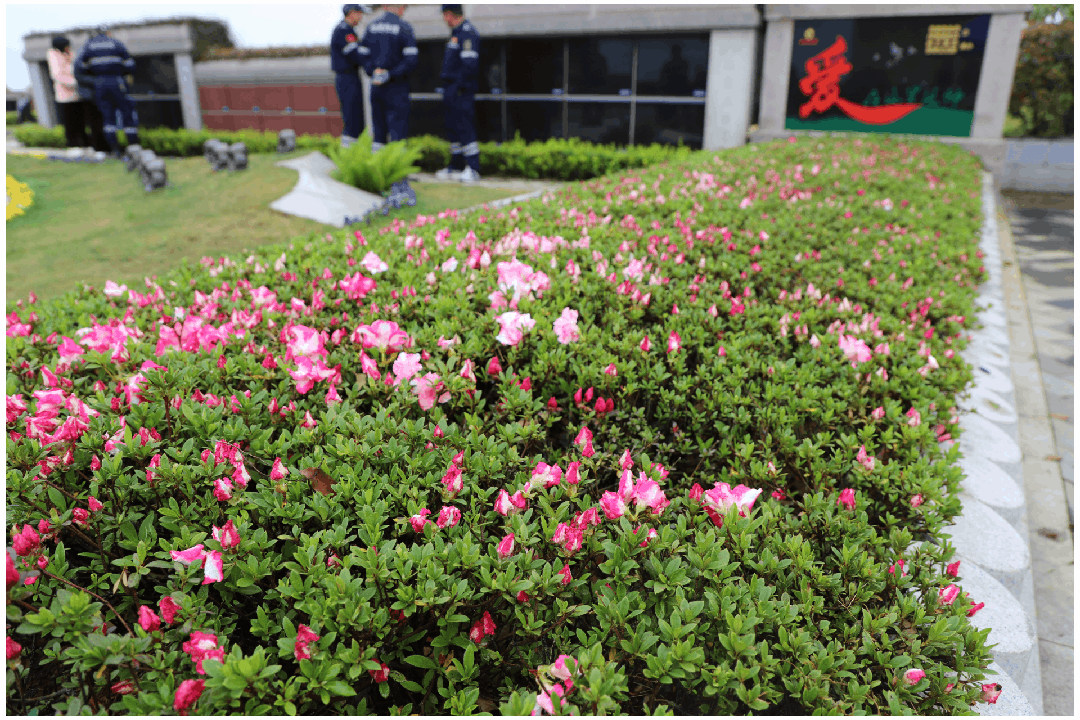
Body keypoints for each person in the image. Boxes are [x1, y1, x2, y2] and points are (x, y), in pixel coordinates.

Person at [360, 4, 419, 207]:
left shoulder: (371, 26)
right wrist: (391, 74)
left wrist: (373, 72)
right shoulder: (404, 27)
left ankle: (379, 177)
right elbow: (411, 59)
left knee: (378, 134)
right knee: (398, 134)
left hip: (376, 87)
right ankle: (399, 179)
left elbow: (363, 55)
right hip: (396, 88)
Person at [74, 25, 140, 158]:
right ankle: (133, 148)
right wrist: (122, 74)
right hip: (117, 82)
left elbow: (79, 70)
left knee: (108, 118)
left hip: (100, 85)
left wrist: (94, 81)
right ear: (108, 33)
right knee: (127, 114)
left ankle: (115, 150)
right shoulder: (117, 44)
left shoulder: (89, 46)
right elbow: (130, 65)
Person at [436, 4, 481, 183]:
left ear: (450, 14)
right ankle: (456, 166)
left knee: (465, 129)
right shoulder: (455, 33)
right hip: (451, 89)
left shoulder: (467, 32)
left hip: (461, 90)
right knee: (453, 130)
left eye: (445, 15)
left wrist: (457, 87)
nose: (444, 19)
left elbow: (469, 65)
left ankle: (473, 169)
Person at [331, 4, 370, 148]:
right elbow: (356, 54)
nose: (360, 17)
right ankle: (348, 154)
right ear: (351, 13)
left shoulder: (349, 30)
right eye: (359, 13)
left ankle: (353, 151)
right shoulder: (343, 30)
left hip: (351, 77)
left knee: (356, 117)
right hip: (347, 78)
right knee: (352, 117)